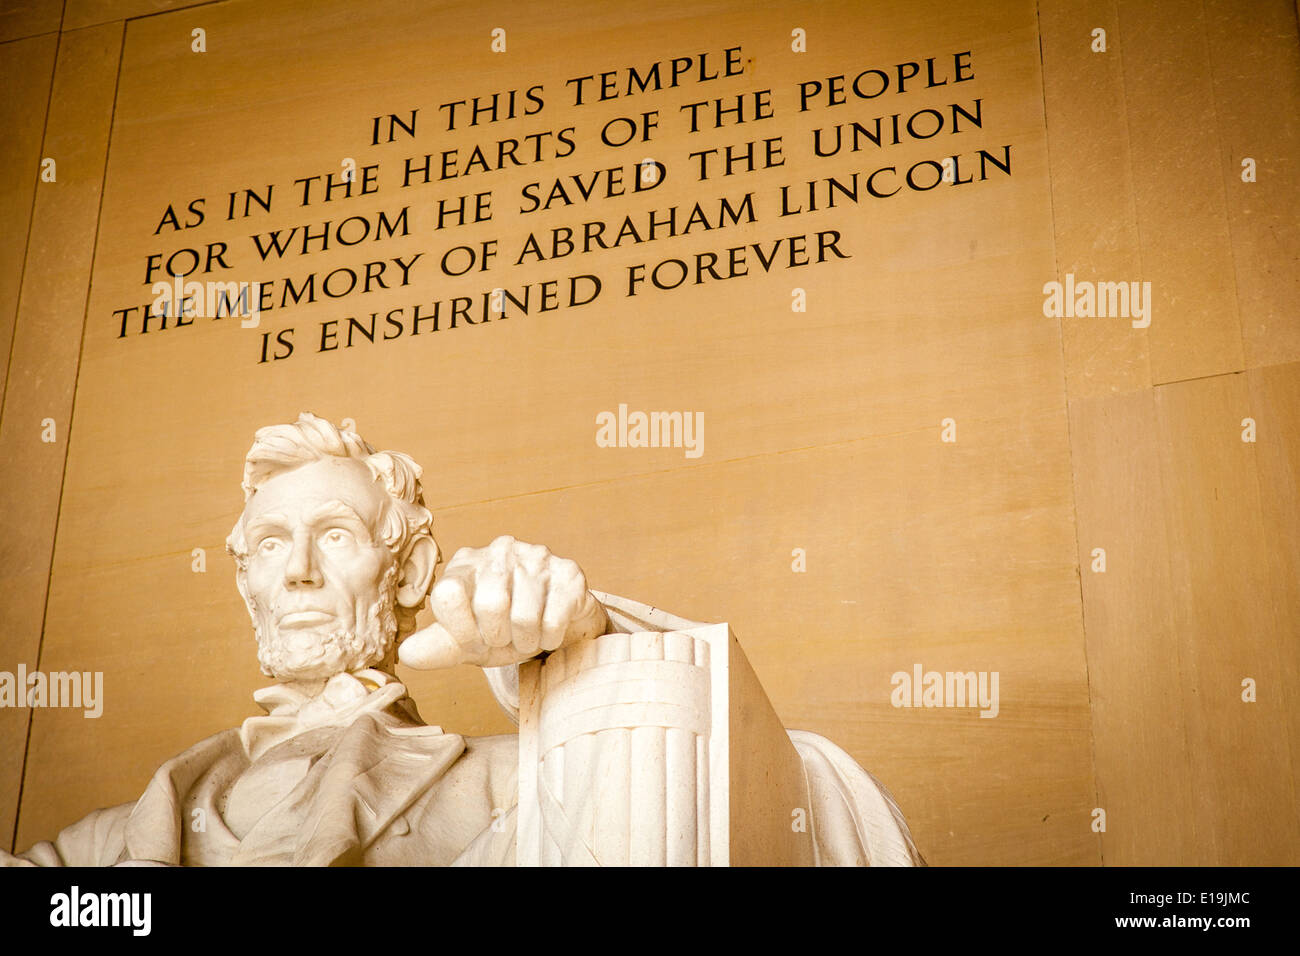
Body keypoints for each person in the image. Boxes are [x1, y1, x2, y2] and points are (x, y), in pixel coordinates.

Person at [2, 413, 920, 866]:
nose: (299, 573)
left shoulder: (511, 783)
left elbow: (733, 771)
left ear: (403, 574)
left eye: (334, 536)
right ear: (246, 581)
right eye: (271, 544)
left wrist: (580, 645)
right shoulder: (109, 843)